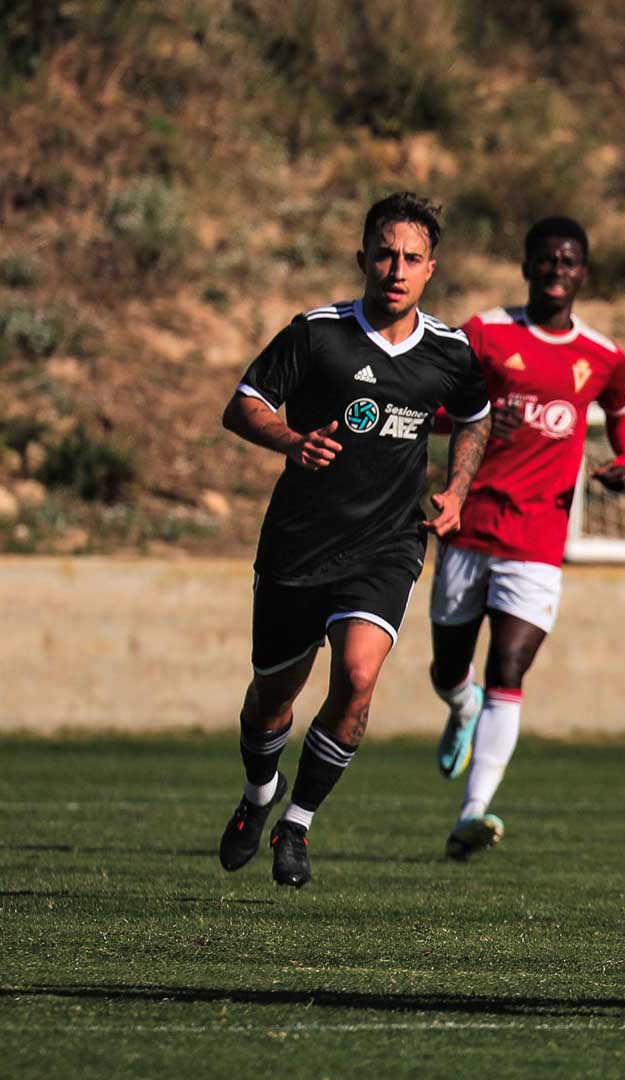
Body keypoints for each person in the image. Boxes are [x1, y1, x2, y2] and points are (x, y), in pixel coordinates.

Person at [216, 192, 491, 889]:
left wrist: (457, 491)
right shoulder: (318, 334)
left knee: (359, 678)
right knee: (272, 699)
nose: (396, 269)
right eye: (385, 255)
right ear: (362, 257)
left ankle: (298, 823)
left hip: (387, 546)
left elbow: (476, 417)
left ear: (431, 269)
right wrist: (291, 440)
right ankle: (259, 793)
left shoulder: (451, 351)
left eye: (411, 258)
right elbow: (243, 405)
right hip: (299, 545)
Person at [426, 215, 625, 860]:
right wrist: (452, 422)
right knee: (448, 669)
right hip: (469, 527)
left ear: (584, 273)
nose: (557, 269)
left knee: (510, 667)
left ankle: (473, 813)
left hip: (539, 541)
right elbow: (435, 406)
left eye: (568, 260)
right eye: (546, 258)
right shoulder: (486, 333)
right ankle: (459, 707)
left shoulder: (602, 356)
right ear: (526, 266)